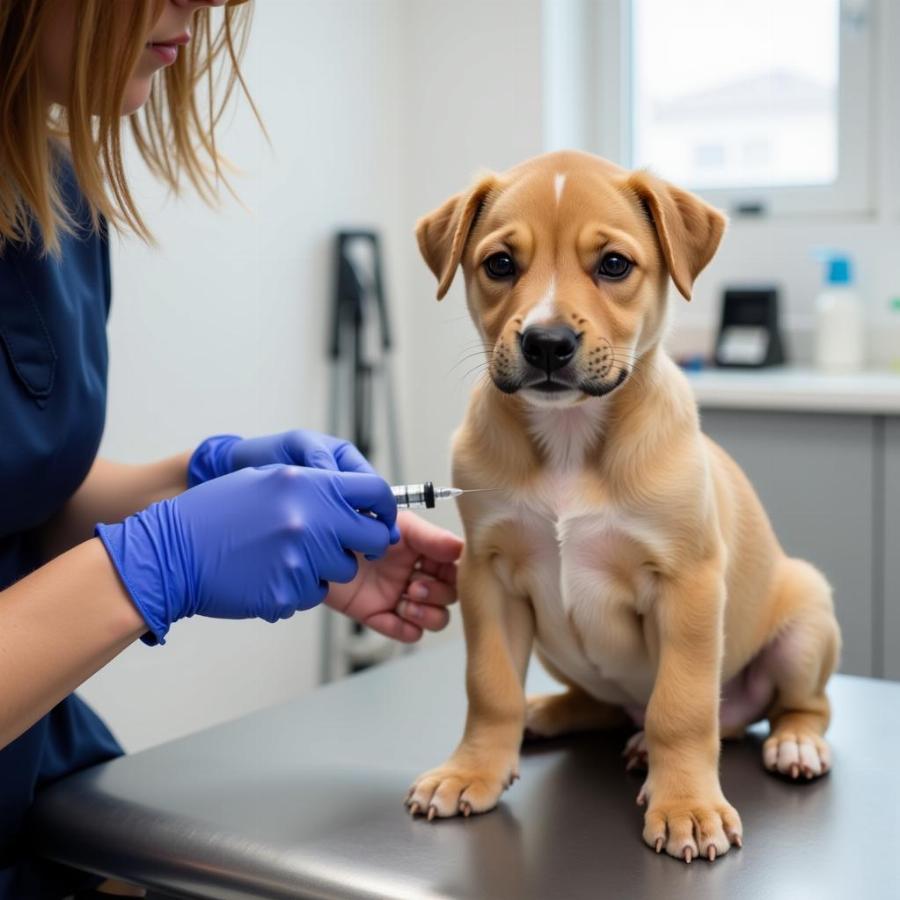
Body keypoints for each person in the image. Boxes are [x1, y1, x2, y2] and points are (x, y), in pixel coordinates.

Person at [0, 1, 463, 895]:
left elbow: (24, 489)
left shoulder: (50, 198)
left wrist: (202, 484)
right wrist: (163, 560)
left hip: (41, 791)